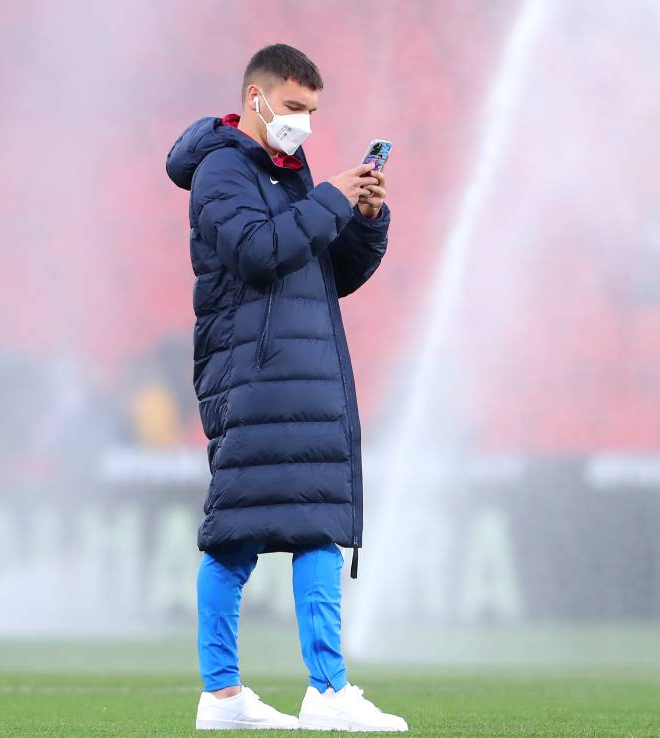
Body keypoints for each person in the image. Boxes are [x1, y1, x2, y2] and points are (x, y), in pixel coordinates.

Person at [166, 44, 407, 731]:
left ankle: (244, 696)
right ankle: (300, 693)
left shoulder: (292, 175)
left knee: (300, 531)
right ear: (257, 100)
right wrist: (330, 196)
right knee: (248, 538)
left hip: (300, 376)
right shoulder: (219, 172)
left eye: (313, 111)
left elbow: (327, 273)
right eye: (295, 107)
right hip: (253, 378)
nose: (304, 123)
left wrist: (363, 217)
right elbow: (259, 252)